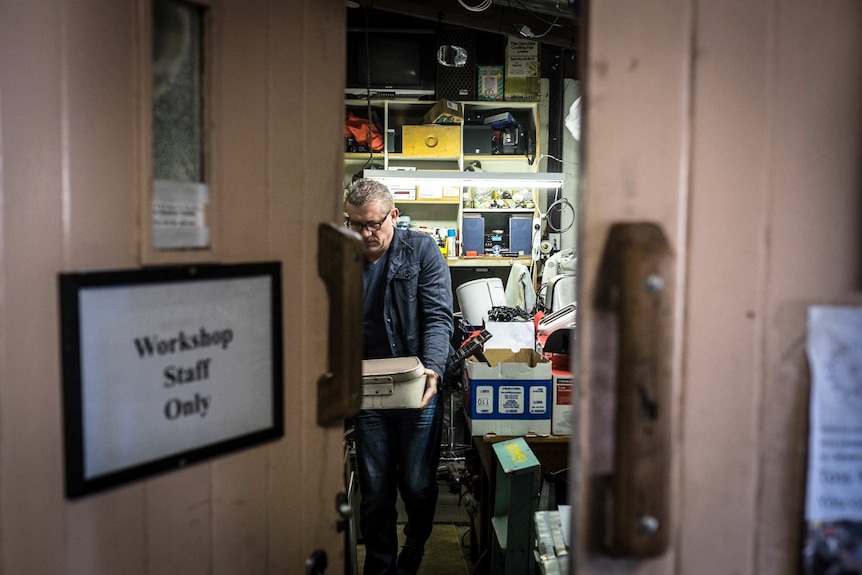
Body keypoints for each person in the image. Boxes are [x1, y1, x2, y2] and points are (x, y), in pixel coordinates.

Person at [345, 178, 454, 575]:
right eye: (355, 224)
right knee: (375, 492)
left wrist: (433, 371)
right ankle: (380, 567)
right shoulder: (342, 255)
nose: (365, 234)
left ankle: (417, 543)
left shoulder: (421, 249)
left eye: (373, 224)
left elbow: (439, 316)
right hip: (366, 389)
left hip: (415, 387)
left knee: (417, 485)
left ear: (394, 215)